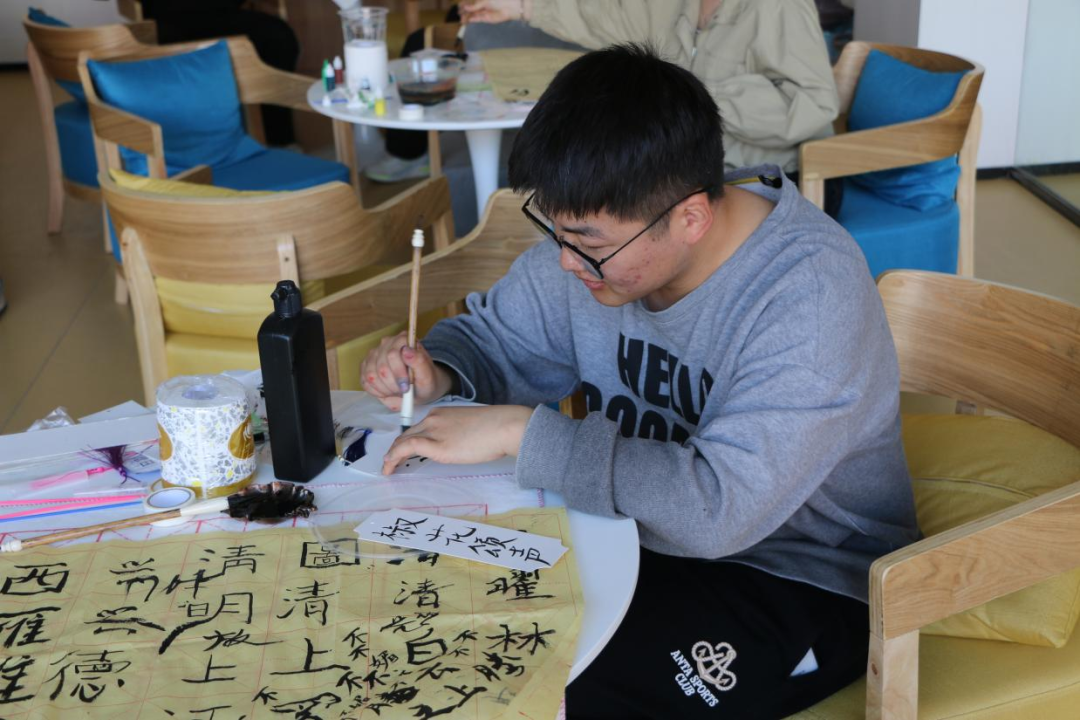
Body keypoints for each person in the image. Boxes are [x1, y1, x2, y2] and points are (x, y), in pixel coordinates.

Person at [360, 45, 918, 718]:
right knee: (432, 632)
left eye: (588, 244)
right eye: (554, 231)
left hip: (795, 571)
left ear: (691, 218)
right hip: (625, 529)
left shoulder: (808, 296)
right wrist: (438, 370)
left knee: (543, 695)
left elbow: (719, 512)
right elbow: (496, 340)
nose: (565, 262)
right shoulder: (603, 234)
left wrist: (523, 433)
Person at [461, 0, 844, 216]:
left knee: (614, 221)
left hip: (771, 178)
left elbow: (814, 102)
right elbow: (607, 18)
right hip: (692, 169)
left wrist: (689, 96)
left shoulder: (779, 6)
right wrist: (523, 7)